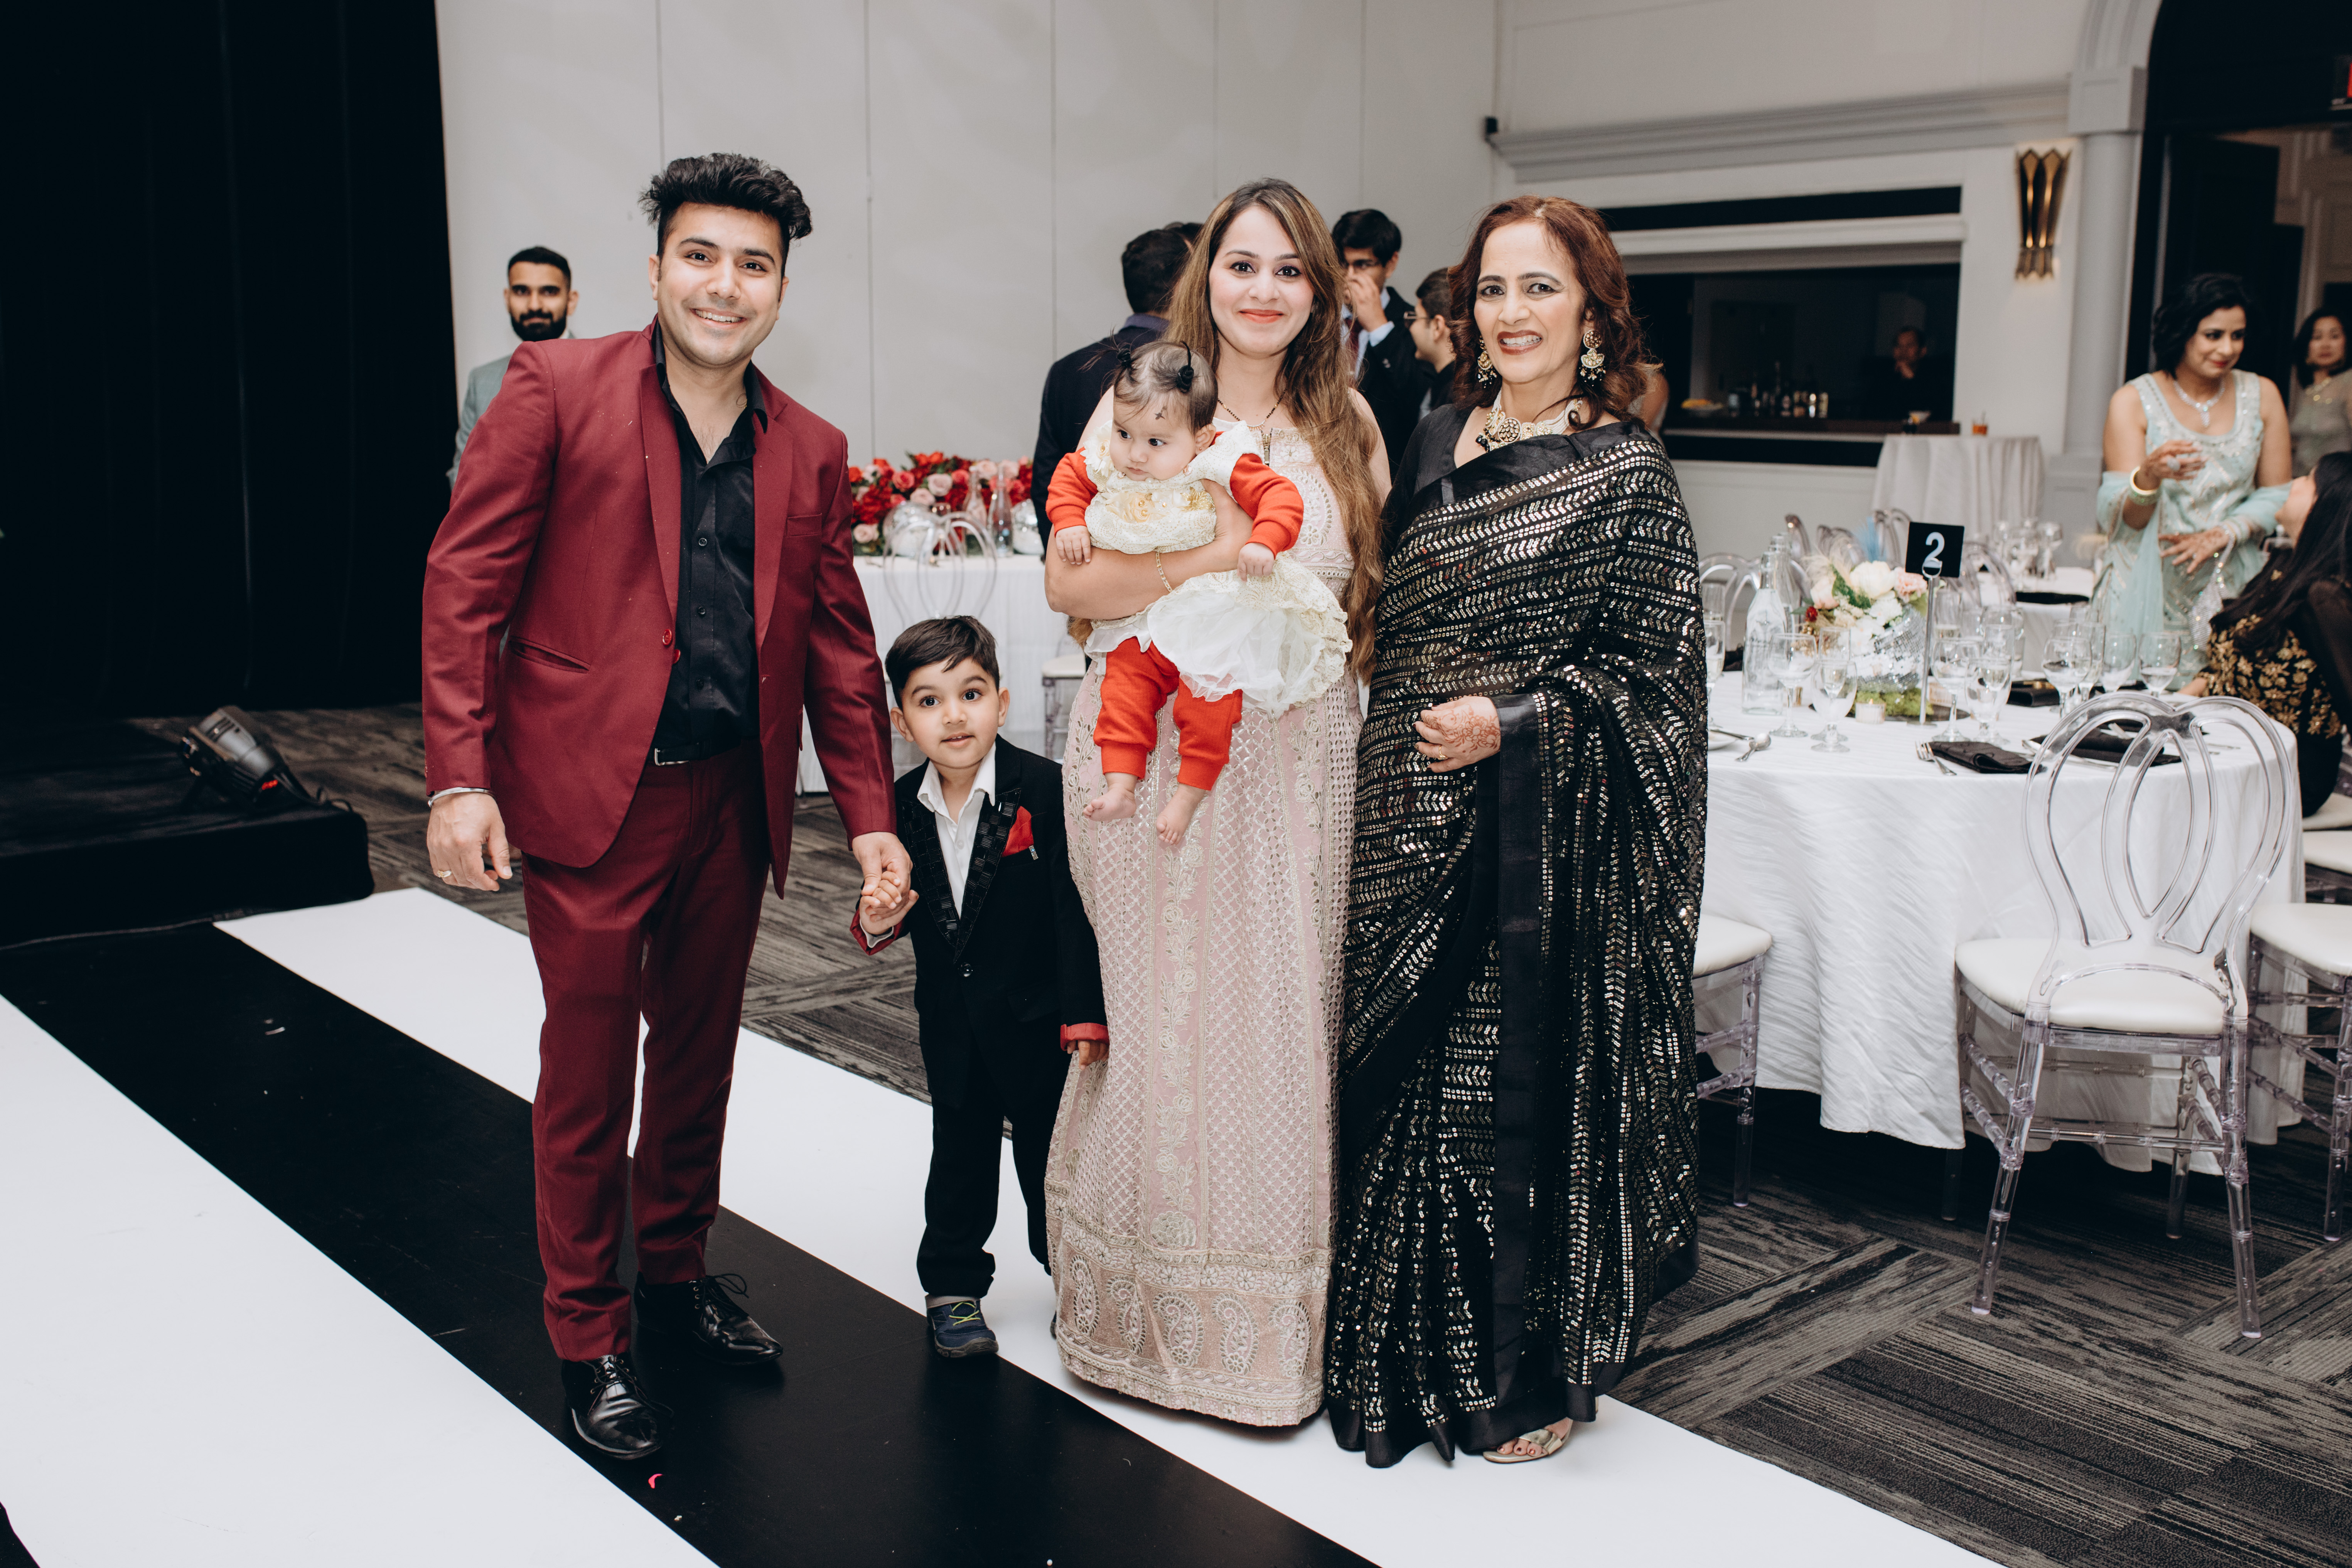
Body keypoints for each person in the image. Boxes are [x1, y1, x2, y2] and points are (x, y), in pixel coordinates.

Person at [422, 153, 914, 1460]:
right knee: (587, 1076)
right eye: (700, 256)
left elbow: (836, 646)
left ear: (781, 289)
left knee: (697, 1062)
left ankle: (677, 1273)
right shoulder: (552, 388)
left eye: (753, 265)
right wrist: (460, 775)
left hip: (732, 801)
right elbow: (465, 581)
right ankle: (587, 1331)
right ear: (654, 269)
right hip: (591, 793)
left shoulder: (809, 446)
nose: (723, 285)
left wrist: (870, 814)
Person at [1324, 194, 1707, 1469]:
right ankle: (1383, 1341)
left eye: (1540, 288)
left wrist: (1520, 720)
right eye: (1491, 288)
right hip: (1401, 807)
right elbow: (1393, 615)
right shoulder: (1435, 432)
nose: (1511, 312)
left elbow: (1656, 685)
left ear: (1591, 311)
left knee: (1494, 1088)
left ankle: (1506, 1371)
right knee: (1395, 1072)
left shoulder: (1624, 470)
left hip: (1529, 834)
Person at [1041, 177, 1389, 1426]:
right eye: (1241, 263)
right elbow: (1071, 583)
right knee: (1161, 1015)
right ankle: (1139, 1311)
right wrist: (1216, 559)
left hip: (1299, 761)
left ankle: (1267, 1338)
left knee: (1284, 1027)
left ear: (1320, 291)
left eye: (1289, 269)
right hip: (1146, 750)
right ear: (1205, 277)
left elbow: (1365, 598)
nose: (1262, 289)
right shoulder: (1142, 401)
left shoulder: (1347, 422)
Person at [850, 617, 1107, 1358]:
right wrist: (876, 918)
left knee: (1048, 1161)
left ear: (1002, 700)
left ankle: (1072, 1281)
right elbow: (885, 914)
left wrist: (1084, 1015)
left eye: (970, 693)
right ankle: (952, 1287)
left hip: (1038, 1022)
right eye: (928, 701)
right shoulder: (895, 809)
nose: (954, 715)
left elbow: (1073, 911)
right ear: (901, 722)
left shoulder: (1044, 789)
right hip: (952, 1023)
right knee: (958, 1157)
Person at [1047, 342, 1346, 844]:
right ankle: (1121, 785)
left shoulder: (1222, 456)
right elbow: (1069, 478)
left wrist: (1263, 540)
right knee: (1122, 689)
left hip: (1209, 616)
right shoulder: (1106, 457)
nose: (1135, 454)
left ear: (1201, 436)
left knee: (1211, 699)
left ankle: (1188, 793)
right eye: (1124, 434)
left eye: (1156, 442)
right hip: (1138, 618)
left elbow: (1279, 496)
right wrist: (1070, 520)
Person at [2093, 273, 2293, 674]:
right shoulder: (2133, 401)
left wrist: (2224, 532)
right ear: (2182, 332)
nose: (2227, 349)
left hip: (2231, 587)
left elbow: (2278, 494)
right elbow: (2125, 520)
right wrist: (2149, 475)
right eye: (2213, 335)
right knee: (2140, 703)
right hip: (2150, 590)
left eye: (2237, 336)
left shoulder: (2263, 395)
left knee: (2224, 700)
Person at [2185, 455, 2352, 812]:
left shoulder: (2324, 598)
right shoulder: (2282, 570)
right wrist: (2172, 704)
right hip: (2224, 746)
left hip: (2283, 772)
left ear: (2325, 504)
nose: (2293, 483)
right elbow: (2225, 667)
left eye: (2307, 479)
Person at [1031, 223, 1200, 519]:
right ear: (1185, 285)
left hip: (1075, 536)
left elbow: (1046, 482)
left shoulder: (1066, 369)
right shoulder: (1192, 369)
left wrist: (1067, 541)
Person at [449, 246, 576, 483]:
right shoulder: (481, 381)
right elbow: (461, 475)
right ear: (507, 299)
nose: (535, 305)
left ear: (571, 301)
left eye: (549, 292)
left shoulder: (603, 371)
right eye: (522, 291)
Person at [1334, 209, 1422, 479]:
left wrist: (1378, 326)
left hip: (1387, 473)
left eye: (1363, 265)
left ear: (1390, 265)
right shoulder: (1314, 318)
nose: (1349, 276)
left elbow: (1418, 403)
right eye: (1342, 264)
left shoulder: (1416, 322)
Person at [2290, 309, 2351, 477]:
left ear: (2346, 342)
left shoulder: (2349, 383)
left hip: (2336, 485)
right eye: (2317, 337)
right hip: (2303, 482)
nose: (2326, 345)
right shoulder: (2308, 391)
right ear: (2306, 345)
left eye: (2335, 336)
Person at [1858, 325, 1952, 422]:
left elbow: (1929, 410)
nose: (1903, 351)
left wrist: (1911, 379)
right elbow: (1869, 412)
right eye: (1899, 346)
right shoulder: (1883, 378)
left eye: (1910, 346)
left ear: (1922, 351)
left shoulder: (1933, 378)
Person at [1404, 267, 1457, 424]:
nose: (1411, 327)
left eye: (1416, 317)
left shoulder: (1455, 400)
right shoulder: (1455, 385)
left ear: (1437, 327)